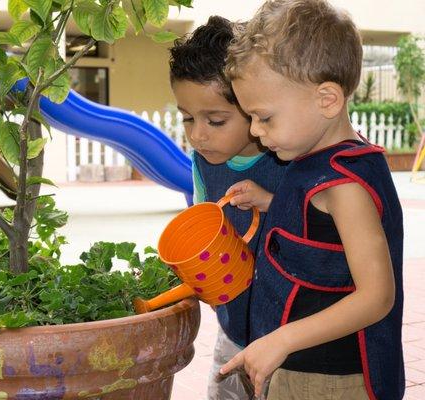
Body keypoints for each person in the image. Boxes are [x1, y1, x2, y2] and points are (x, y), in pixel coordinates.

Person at [219, 1, 404, 399]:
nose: (255, 130)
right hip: (301, 366)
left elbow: (377, 296)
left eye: (264, 117)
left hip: (328, 379)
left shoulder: (346, 185)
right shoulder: (314, 160)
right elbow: (323, 232)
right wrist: (270, 202)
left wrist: (281, 340)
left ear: (327, 100)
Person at [169, 15, 287, 399]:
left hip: (287, 331)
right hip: (234, 323)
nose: (197, 134)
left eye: (215, 120)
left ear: (253, 109)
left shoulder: (286, 158)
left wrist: (270, 202)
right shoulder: (202, 162)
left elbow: (317, 220)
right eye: (187, 118)